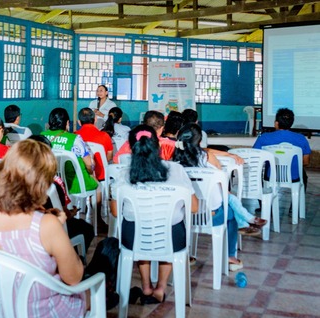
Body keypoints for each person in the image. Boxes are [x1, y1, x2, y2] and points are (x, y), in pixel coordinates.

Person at [0, 139, 86, 318]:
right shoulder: (45, 226)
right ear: (42, 183)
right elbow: (73, 277)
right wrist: (57, 229)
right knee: (85, 295)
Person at [109, 125, 198, 304]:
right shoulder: (176, 170)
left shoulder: (124, 174)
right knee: (171, 228)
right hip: (171, 236)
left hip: (133, 236)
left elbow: (116, 212)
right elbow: (194, 207)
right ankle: (161, 288)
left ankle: (146, 286)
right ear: (157, 146)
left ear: (132, 147)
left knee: (139, 228)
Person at [173, 123, 267, 271]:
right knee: (230, 212)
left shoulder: (173, 162)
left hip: (183, 215)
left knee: (228, 204)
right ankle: (230, 255)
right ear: (199, 141)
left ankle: (185, 254)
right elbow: (221, 184)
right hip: (212, 215)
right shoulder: (207, 157)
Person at [41, 107, 99, 196]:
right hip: (75, 185)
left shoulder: (42, 136)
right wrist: (91, 173)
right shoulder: (75, 139)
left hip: (49, 183)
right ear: (67, 123)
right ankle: (95, 209)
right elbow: (89, 164)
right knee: (98, 186)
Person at [253, 107, 311, 191]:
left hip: (270, 176)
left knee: (258, 176)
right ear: (291, 123)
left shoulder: (264, 137)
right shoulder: (301, 138)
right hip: (294, 177)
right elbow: (306, 162)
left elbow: (256, 157)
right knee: (303, 176)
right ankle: (296, 203)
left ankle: (266, 202)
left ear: (276, 123)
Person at [75, 107, 113, 181]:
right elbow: (109, 157)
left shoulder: (74, 137)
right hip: (102, 177)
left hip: (81, 178)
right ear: (95, 119)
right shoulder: (105, 136)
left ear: (79, 122)